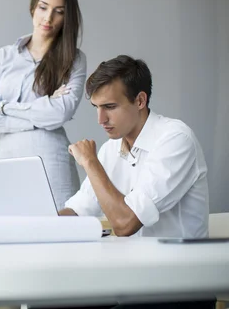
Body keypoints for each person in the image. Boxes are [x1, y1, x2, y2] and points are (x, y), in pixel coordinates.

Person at [61, 55, 209, 241]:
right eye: (96, 107)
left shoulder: (176, 139)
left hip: (178, 266)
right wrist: (36, 224)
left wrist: (90, 162)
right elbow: (80, 208)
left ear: (140, 101)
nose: (101, 120)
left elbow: (125, 223)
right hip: (131, 263)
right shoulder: (110, 149)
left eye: (110, 106)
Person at [0, 0, 86, 210]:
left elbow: (58, 116)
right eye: (43, 7)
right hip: (8, 161)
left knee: (59, 239)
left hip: (52, 161)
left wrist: (1, 107)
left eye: (59, 11)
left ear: (67, 17)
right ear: (33, 6)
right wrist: (40, 112)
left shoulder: (74, 60)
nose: (48, 17)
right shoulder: (4, 56)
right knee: (9, 236)